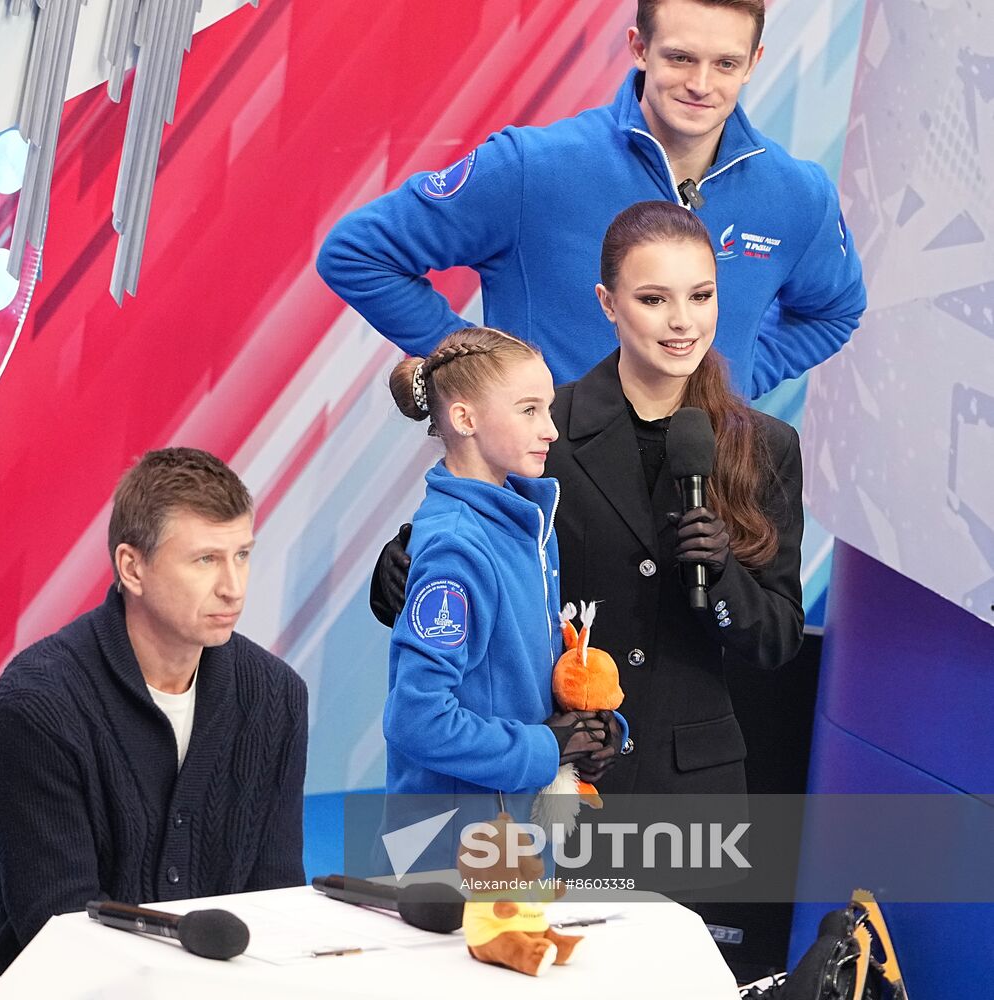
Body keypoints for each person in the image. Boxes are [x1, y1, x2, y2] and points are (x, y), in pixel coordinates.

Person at [372, 201, 805, 797]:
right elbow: (471, 564)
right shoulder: (543, 431)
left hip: (695, 788)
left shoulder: (766, 446)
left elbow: (776, 640)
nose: (682, 321)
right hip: (561, 774)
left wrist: (723, 574)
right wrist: (398, 562)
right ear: (608, 303)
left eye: (700, 296)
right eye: (654, 299)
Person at [316, 0, 865, 399]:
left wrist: (734, 381)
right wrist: (485, 371)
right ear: (638, 48)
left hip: (699, 510)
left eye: (724, 63)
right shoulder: (534, 165)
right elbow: (357, 253)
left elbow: (834, 312)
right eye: (679, 58)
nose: (701, 84)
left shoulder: (798, 194)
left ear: (753, 62)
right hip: (545, 503)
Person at [0, 447, 308, 973]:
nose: (233, 586)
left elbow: (275, 900)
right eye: (205, 560)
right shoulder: (38, 704)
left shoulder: (276, 695)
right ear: (132, 567)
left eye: (242, 554)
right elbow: (57, 928)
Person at [382, 328, 621, 799]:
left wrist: (592, 732)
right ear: (465, 418)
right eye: (529, 409)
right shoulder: (456, 547)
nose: (551, 428)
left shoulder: (527, 525)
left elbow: (524, 678)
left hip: (516, 832)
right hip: (452, 847)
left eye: (548, 408)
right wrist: (545, 746)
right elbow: (417, 719)